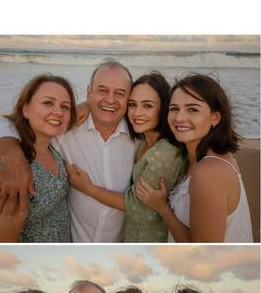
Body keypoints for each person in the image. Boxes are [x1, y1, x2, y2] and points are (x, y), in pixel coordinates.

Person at [0, 60, 137, 242]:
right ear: (89, 92)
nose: (110, 99)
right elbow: (7, 123)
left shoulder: (138, 138)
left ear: (129, 99)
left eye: (120, 93)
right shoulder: (64, 131)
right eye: (102, 90)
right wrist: (12, 156)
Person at [65, 72, 187, 242]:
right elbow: (112, 104)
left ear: (164, 107)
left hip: (150, 241)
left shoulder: (164, 153)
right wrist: (88, 104)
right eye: (132, 104)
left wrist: (88, 188)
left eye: (147, 106)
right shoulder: (142, 139)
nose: (137, 113)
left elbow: (140, 207)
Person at [134, 74, 253, 242]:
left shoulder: (209, 173)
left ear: (215, 118)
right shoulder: (198, 159)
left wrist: (163, 208)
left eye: (193, 109)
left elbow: (203, 253)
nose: (179, 118)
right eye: (174, 108)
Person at [0, 74, 76, 242]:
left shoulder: (54, 148)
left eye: (65, 107)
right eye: (48, 103)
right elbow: (0, 248)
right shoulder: (9, 173)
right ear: (26, 110)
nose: (58, 112)